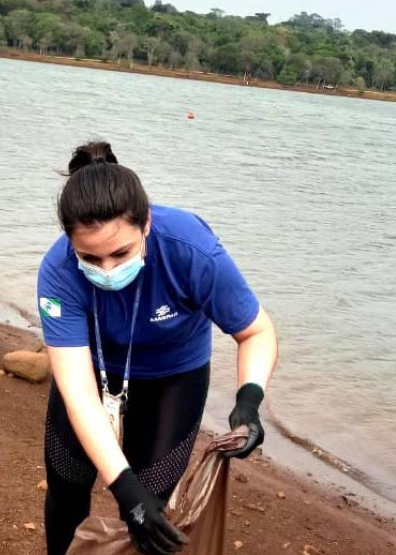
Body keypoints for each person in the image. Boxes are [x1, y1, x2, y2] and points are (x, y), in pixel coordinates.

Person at [37, 142, 278, 555]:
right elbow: (79, 397)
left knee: (151, 507)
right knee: (66, 482)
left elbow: (255, 332)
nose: (107, 270)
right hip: (96, 369)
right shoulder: (58, 272)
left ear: (146, 224)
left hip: (173, 375)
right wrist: (123, 488)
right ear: (70, 241)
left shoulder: (191, 252)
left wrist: (249, 398)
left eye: (121, 253)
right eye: (90, 258)